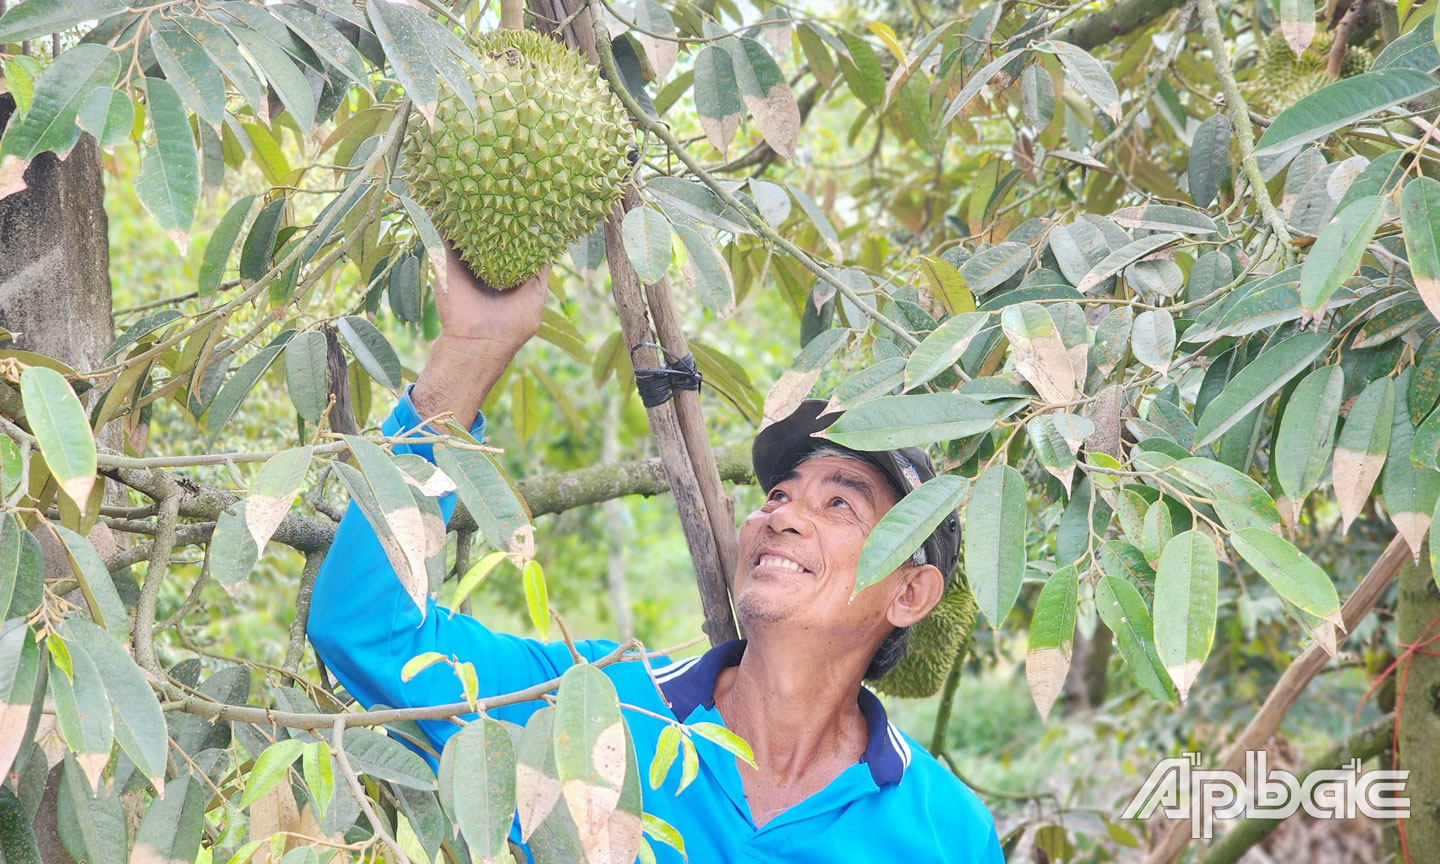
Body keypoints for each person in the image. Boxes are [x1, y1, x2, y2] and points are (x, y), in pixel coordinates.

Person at [307, 248, 1006, 863]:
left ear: (910, 595)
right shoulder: (588, 708)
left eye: (839, 504)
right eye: (780, 494)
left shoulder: (948, 834)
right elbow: (368, 627)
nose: (784, 513)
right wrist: (472, 352)